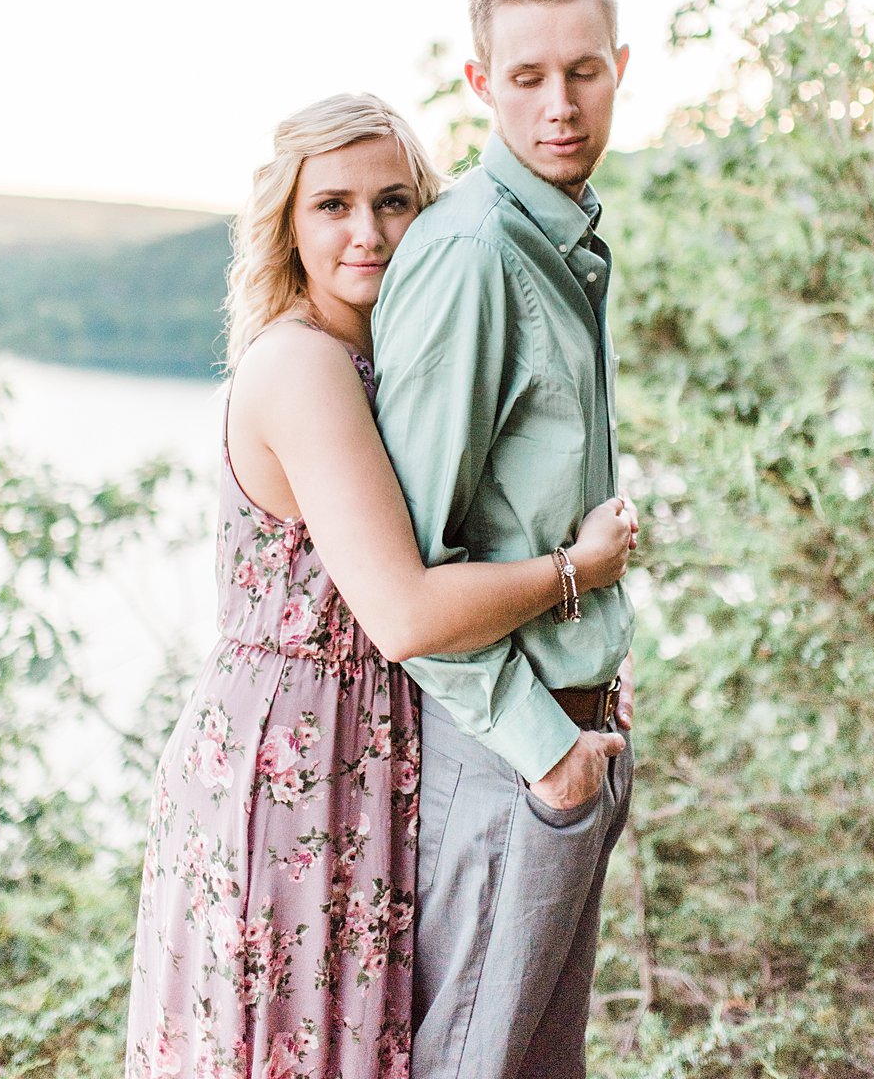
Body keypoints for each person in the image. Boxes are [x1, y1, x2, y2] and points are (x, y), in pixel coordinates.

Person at [125, 92, 636, 1079]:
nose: (368, 232)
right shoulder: (305, 365)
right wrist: (576, 569)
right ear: (289, 223)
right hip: (292, 764)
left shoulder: (380, 354)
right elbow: (401, 611)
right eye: (334, 205)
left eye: (393, 201)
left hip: (369, 746)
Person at [372, 0, 639, 1079]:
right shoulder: (477, 251)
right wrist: (550, 757)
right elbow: (411, 585)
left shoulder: (560, 238)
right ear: (480, 83)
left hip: (566, 738)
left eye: (583, 71)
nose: (560, 104)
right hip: (506, 754)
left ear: (620, 68)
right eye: (527, 77)